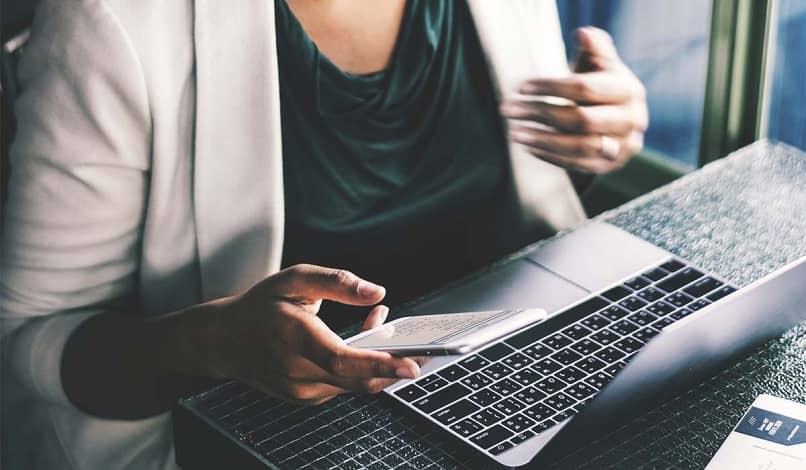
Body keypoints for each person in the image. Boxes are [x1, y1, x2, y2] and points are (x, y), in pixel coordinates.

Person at [0, 0, 647, 469]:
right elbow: (29, 339)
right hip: (277, 443)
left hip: (523, 391)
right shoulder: (113, 21)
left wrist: (594, 137)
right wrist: (212, 347)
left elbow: (490, 204)